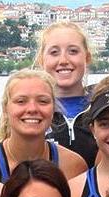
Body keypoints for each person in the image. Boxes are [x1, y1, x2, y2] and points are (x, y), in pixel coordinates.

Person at [0, 69, 89, 183]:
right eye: (21, 101)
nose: (32, 109)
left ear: (53, 109)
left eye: (42, 101)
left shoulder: (72, 165)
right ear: (5, 109)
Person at [38, 22, 98, 163]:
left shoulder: (101, 107)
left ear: (87, 57)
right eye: (54, 53)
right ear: (42, 60)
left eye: (73, 51)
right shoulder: (32, 111)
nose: (63, 60)